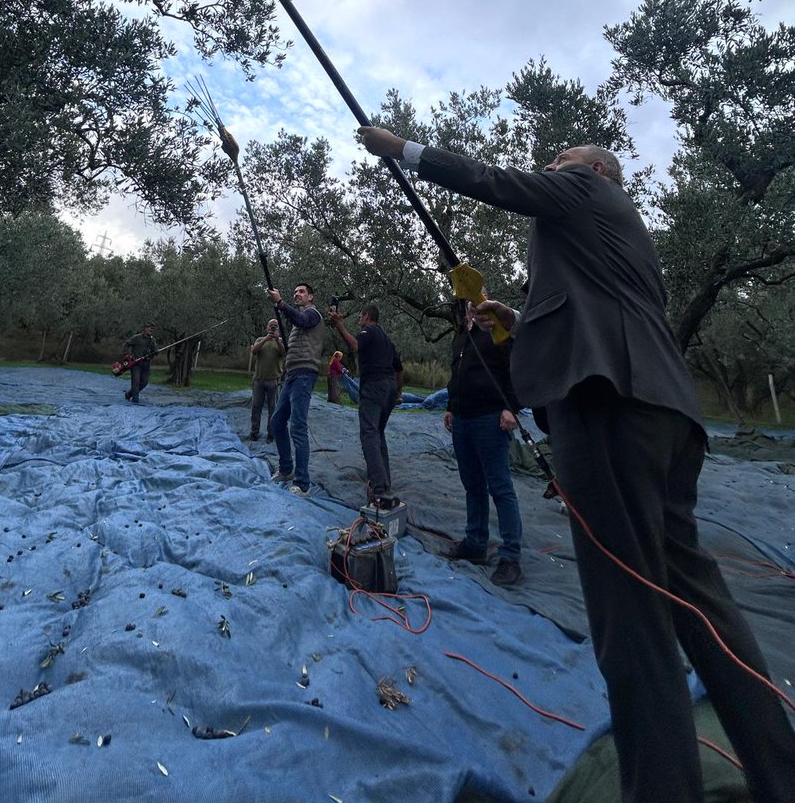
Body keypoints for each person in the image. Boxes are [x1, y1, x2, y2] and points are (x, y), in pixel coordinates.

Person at [357, 126, 795, 803]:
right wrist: (522, 318)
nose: (550, 167)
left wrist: (405, 151)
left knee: (631, 620)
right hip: (664, 413)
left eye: (558, 160)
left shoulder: (586, 186)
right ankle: (779, 772)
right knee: (703, 607)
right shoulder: (621, 238)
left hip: (607, 409)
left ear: (595, 171)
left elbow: (500, 184)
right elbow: (597, 306)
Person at [444, 299, 523, 586]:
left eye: (478, 303)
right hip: (462, 420)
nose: (473, 310)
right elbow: (456, 377)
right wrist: (451, 406)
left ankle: (510, 556)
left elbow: (518, 369)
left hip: (490, 418)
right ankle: (476, 543)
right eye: (469, 306)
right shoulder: (461, 338)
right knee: (472, 484)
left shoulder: (498, 332)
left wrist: (512, 407)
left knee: (500, 487)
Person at [328, 304, 404, 505]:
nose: (359, 320)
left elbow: (355, 346)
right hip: (389, 388)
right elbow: (399, 369)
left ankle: (379, 490)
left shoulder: (368, 331)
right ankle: (385, 484)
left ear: (367, 316)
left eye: (360, 316)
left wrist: (339, 325)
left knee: (369, 434)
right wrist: (398, 393)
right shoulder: (387, 340)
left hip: (374, 386)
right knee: (378, 434)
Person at [266, 282, 324, 497]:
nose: (297, 294)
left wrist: (281, 303)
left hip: (304, 375)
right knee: (277, 421)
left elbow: (300, 319)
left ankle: (303, 483)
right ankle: (286, 468)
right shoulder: (297, 323)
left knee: (297, 426)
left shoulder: (313, 314)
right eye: (295, 292)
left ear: (311, 297)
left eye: (301, 292)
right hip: (291, 375)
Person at [249, 319, 285, 441]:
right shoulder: (260, 340)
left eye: (275, 326)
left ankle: (271, 434)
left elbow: (284, 353)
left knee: (273, 408)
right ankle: (254, 432)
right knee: (256, 407)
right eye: (271, 325)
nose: (273, 327)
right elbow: (254, 351)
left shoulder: (280, 341)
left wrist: (276, 339)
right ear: (267, 327)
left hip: (273, 380)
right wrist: (265, 339)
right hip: (259, 379)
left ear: (278, 329)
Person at [122, 322, 157, 404]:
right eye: (149, 327)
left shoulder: (152, 340)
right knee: (136, 382)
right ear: (145, 328)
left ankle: (129, 394)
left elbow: (155, 351)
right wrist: (128, 355)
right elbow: (126, 344)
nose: (151, 329)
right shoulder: (136, 338)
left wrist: (156, 352)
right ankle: (135, 401)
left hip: (146, 364)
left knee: (144, 382)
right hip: (135, 364)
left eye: (152, 328)